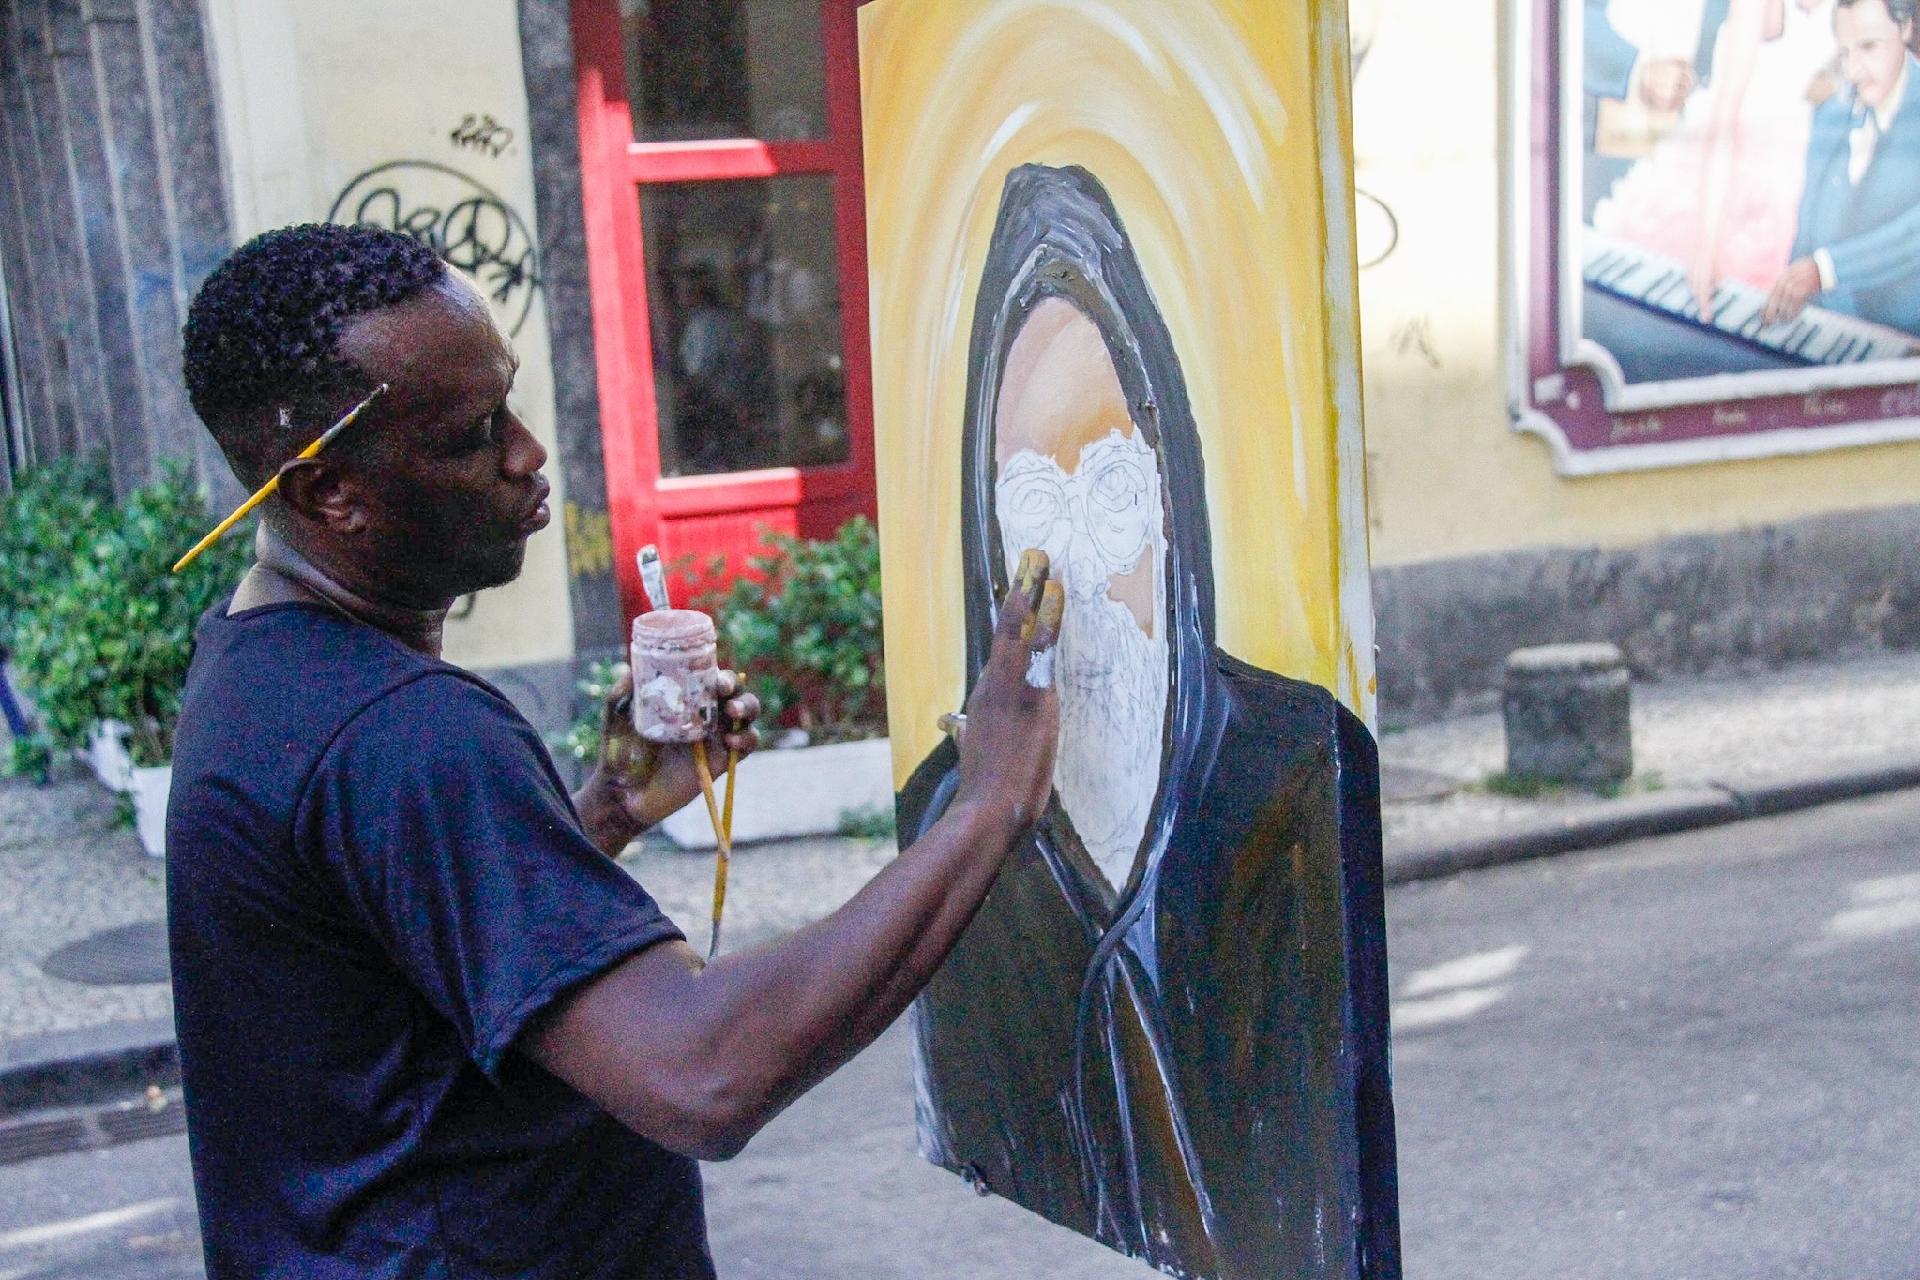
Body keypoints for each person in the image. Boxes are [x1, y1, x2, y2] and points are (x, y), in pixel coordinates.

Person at [169, 222, 1062, 1279]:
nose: (525, 453)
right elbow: (704, 1073)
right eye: (468, 433)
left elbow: (401, 979)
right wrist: (989, 801)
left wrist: (598, 813)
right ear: (330, 493)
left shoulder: (256, 667)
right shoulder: (405, 731)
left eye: (507, 399)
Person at [896, 165, 1398, 1279]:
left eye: (1114, 495)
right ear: (988, 528)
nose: (1073, 574)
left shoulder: (1292, 767)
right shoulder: (942, 810)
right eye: (1034, 507)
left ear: (1175, 503)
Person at [1589, 0, 1835, 320]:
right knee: (1672, 294)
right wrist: (1706, 241)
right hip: (1723, 160)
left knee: (1756, 305)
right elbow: (1726, 114)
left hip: (1787, 167)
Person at [1763, 0, 1920, 332]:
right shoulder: (1829, 116)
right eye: (1845, 53)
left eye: (1868, 47)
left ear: (1905, 29)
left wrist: (1825, 270)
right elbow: (1806, 236)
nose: (1853, 71)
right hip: (1826, 333)